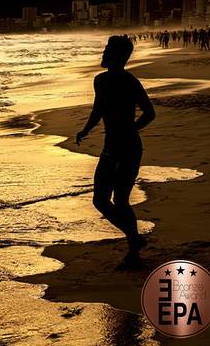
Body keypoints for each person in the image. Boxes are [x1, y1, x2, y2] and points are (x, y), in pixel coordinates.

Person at [76, 35, 155, 269]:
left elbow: (149, 113)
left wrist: (130, 129)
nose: (103, 53)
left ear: (117, 56)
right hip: (110, 148)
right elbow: (98, 109)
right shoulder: (99, 80)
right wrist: (86, 130)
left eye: (107, 50)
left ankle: (133, 250)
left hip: (129, 149)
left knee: (120, 200)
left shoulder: (130, 81)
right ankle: (134, 239)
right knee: (100, 200)